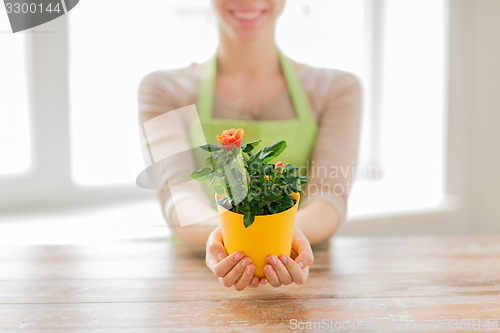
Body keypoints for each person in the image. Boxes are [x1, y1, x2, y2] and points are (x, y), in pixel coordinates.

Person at [138, 0, 361, 290]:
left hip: (305, 274)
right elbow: (177, 195)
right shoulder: (162, 89)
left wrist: (280, 238)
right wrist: (230, 238)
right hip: (196, 278)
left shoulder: (337, 89)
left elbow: (330, 195)